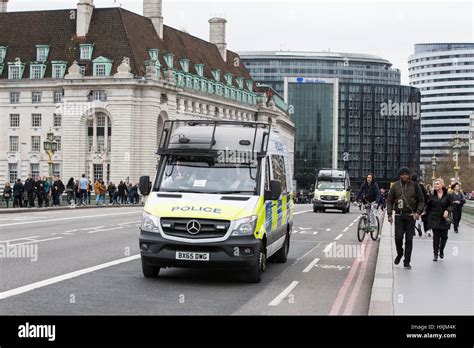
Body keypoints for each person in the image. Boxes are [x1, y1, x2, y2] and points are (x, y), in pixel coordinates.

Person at [386, 167, 425, 270]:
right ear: (400, 175)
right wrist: (389, 214)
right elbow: (389, 201)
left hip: (410, 216)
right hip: (399, 215)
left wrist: (418, 212)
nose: (404, 176)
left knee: (409, 239)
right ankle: (400, 253)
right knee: (398, 238)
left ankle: (407, 261)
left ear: (409, 175)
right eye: (402, 174)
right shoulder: (395, 186)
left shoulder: (415, 186)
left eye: (406, 174)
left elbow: (421, 200)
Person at [426, 178, 454, 261]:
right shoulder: (432, 195)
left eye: (438, 184)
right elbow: (428, 206)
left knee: (444, 237)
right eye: (435, 184)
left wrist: (447, 210)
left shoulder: (448, 195)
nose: (436, 185)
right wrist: (423, 212)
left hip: (444, 219)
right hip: (434, 218)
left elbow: (452, 205)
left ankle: (441, 249)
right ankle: (435, 254)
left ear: (442, 185)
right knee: (436, 237)